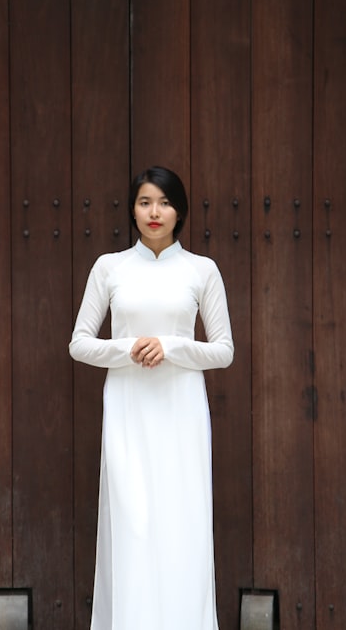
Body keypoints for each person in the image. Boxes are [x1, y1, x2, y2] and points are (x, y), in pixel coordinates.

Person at [69, 166, 234, 629]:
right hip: (128, 408)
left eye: (163, 203)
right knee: (132, 523)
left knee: (183, 525)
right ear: (133, 209)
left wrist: (172, 347)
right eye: (145, 202)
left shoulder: (201, 270)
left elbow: (224, 350)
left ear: (179, 210)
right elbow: (79, 343)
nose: (154, 212)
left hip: (182, 409)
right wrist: (129, 349)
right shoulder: (110, 267)